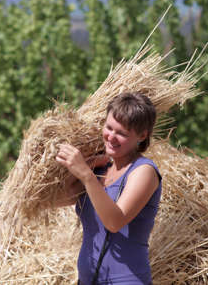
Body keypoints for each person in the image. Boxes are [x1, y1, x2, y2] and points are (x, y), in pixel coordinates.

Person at [55, 92, 162, 285]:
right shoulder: (100, 169)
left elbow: (114, 221)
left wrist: (86, 176)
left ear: (142, 135)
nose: (111, 137)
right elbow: (59, 199)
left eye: (121, 133)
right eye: (109, 128)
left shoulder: (144, 171)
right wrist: (84, 166)